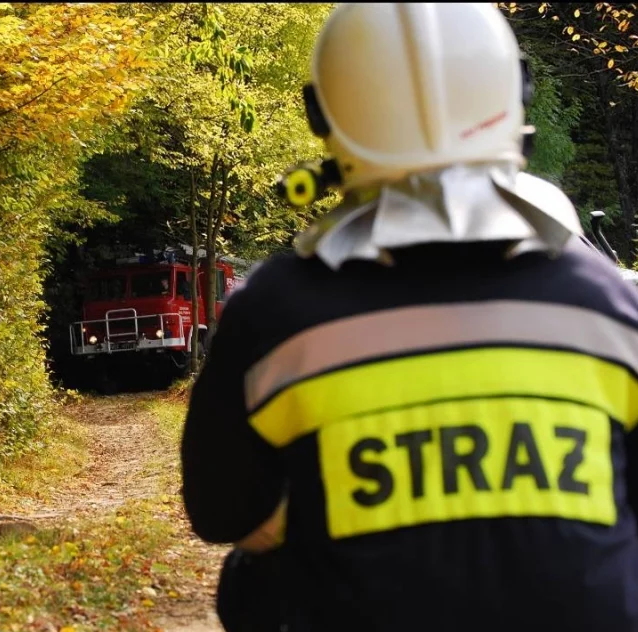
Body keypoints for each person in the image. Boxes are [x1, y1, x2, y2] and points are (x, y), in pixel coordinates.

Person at [179, 3, 638, 632]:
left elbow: (220, 515)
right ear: (517, 93)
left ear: (323, 115)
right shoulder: (605, 300)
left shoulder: (275, 313)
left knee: (247, 580)